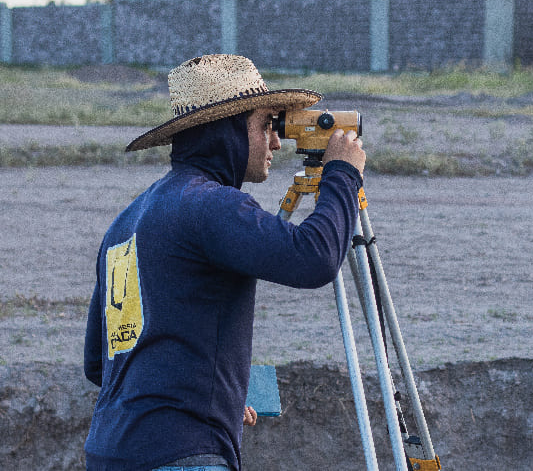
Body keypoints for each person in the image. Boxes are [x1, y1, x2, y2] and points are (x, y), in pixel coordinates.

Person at [83, 54, 365, 471]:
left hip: (111, 451)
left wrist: (214, 391)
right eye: (266, 124)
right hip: (182, 456)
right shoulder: (209, 205)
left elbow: (99, 360)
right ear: (228, 129)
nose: (275, 142)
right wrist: (341, 174)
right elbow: (314, 258)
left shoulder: (127, 221)